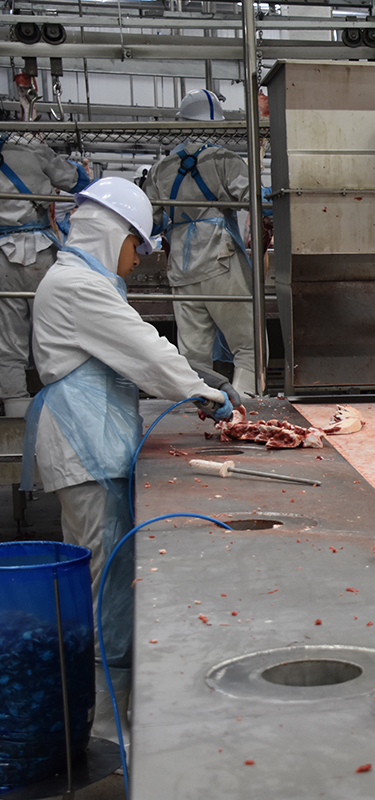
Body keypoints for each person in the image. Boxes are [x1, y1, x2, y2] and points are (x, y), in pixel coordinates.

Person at [21, 177, 237, 667]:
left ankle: (105, 684)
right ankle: (104, 705)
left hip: (90, 441)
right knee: (104, 572)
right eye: (136, 244)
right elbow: (143, 351)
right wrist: (201, 391)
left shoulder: (82, 281)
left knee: (106, 566)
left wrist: (194, 373)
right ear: (113, 235)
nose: (139, 258)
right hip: (84, 443)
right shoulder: (77, 286)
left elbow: (131, 345)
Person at [142, 89, 256, 397]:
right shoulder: (225, 159)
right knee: (249, 344)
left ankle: (202, 408)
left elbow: (150, 220)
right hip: (220, 261)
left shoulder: (161, 169)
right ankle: (246, 404)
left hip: (182, 266)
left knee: (193, 353)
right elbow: (254, 200)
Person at [0, 136, 90, 416]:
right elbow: (77, 181)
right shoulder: (32, 152)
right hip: (40, 252)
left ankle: (16, 414)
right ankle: (62, 406)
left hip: (2, 256)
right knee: (53, 330)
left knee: (8, 339)